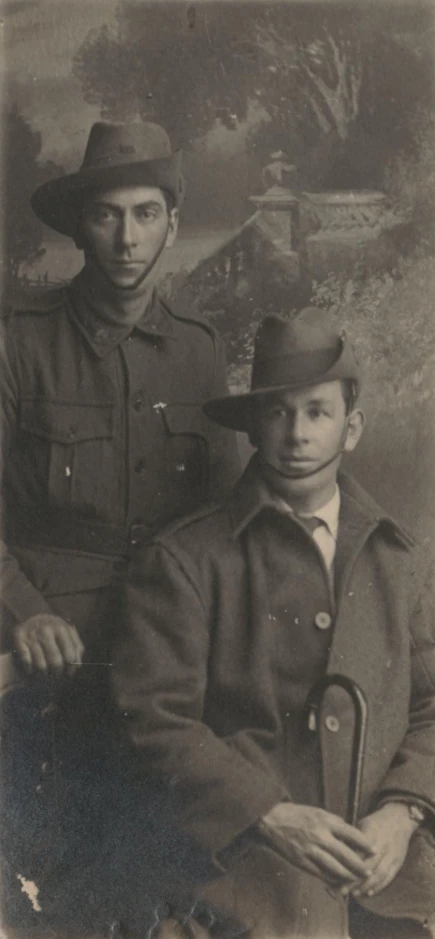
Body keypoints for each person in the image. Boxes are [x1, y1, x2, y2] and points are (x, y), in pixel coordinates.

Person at [112, 308, 435, 939]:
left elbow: (431, 704)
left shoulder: (397, 558)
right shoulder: (186, 559)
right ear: (255, 429)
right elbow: (152, 723)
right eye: (278, 413)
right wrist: (269, 813)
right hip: (241, 865)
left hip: (385, 862)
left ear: (352, 428)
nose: (297, 434)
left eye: (318, 412)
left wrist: (403, 812)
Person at [0, 121, 240, 938]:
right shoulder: (20, 341)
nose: (128, 237)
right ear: (78, 225)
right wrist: (22, 610)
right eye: (107, 215)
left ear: (173, 219)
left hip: (168, 652)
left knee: (170, 874)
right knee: (55, 877)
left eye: (146, 213)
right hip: (48, 653)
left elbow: (224, 520)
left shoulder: (199, 352)